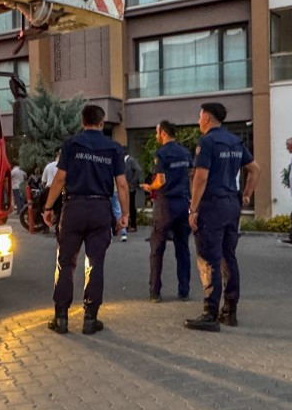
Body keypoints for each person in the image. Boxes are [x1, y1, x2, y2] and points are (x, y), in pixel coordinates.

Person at [44, 105, 129, 335]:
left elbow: (60, 179)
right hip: (100, 209)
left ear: (82, 122)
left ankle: (60, 318)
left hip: (73, 209)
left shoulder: (72, 144)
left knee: (66, 263)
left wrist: (48, 207)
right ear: (102, 123)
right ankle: (90, 320)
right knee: (95, 263)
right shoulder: (113, 148)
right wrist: (125, 215)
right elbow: (121, 184)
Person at [184, 103, 259, 332]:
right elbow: (255, 169)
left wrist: (193, 209)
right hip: (231, 205)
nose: (198, 121)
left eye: (199, 116)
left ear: (206, 117)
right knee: (229, 256)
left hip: (212, 206)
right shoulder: (235, 141)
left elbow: (201, 177)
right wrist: (246, 195)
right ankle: (230, 310)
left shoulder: (207, 142)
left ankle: (210, 313)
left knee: (209, 258)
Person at [141, 120, 192, 302]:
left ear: (162, 133)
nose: (156, 136)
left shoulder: (161, 153)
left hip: (166, 205)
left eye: (157, 132)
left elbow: (160, 181)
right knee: (183, 248)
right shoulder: (185, 152)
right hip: (183, 204)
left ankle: (155, 292)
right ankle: (184, 289)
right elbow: (191, 175)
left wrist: (149, 187)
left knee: (157, 248)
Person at [124, 154, 144, 232]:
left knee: (131, 206)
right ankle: (127, 224)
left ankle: (133, 225)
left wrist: (132, 181)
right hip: (125, 187)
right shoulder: (123, 161)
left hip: (131, 188)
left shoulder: (130, 160)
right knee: (126, 206)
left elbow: (138, 170)